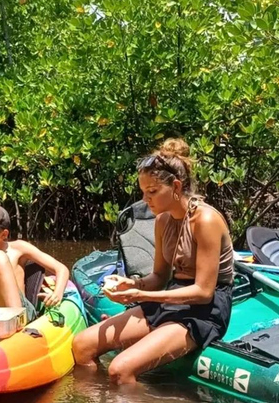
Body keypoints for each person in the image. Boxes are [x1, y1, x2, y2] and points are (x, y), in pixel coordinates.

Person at [71, 138, 234, 384]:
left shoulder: (206, 221)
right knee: (82, 345)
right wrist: (131, 283)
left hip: (206, 310)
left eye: (153, 192)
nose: (146, 200)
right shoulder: (162, 220)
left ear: (176, 186)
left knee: (119, 370)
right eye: (143, 192)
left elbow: (203, 292)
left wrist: (141, 295)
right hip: (173, 297)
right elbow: (159, 277)